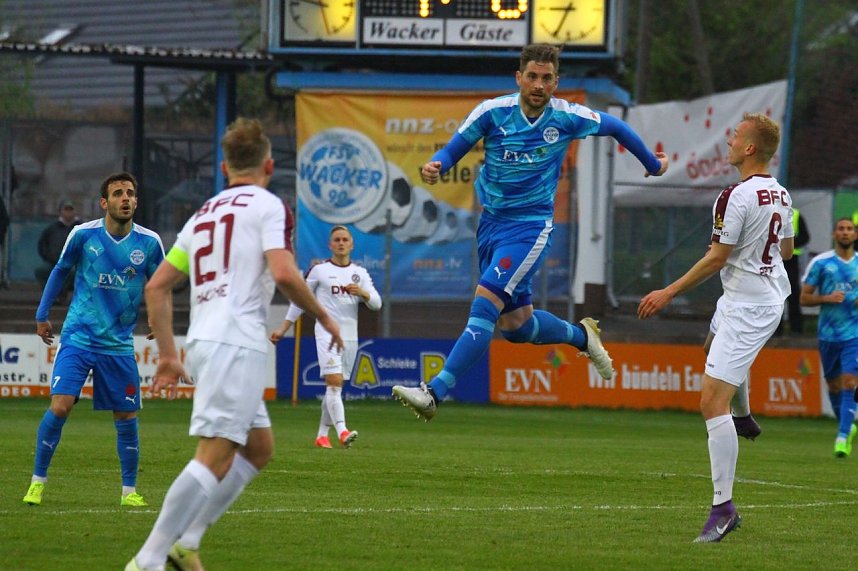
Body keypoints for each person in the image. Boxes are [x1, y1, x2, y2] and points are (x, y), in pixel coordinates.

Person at [391, 44, 668, 420]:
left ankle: (434, 391)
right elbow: (457, 145)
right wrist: (438, 164)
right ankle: (582, 337)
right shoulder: (493, 111)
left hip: (530, 228)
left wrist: (653, 164)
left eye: (547, 78)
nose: (539, 84)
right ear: (519, 77)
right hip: (491, 225)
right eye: (533, 76)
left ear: (557, 82)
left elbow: (616, 127)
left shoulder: (567, 117)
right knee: (517, 327)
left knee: (484, 304)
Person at [126, 117, 343, 571]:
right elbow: (283, 272)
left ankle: (188, 541)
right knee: (215, 453)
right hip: (236, 341)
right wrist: (323, 314)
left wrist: (168, 353)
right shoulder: (269, 206)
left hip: (205, 340)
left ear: (224, 168)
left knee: (258, 447)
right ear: (268, 164)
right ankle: (147, 560)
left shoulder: (202, 213)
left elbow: (157, 287)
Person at [638, 113, 793, 543]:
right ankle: (743, 417)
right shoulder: (781, 193)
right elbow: (787, 249)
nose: (728, 140)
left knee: (710, 401)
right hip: (756, 297)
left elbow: (716, 257)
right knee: (712, 353)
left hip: (749, 305)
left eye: (736, 136)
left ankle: (723, 509)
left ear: (749, 149)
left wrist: (667, 292)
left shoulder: (734, 196)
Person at [23, 172, 165, 508]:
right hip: (78, 337)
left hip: (117, 345)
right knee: (60, 405)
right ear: (105, 203)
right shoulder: (83, 235)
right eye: (118, 193)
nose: (125, 198)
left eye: (130, 193)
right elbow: (60, 270)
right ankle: (37, 483)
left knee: (126, 417)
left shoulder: (149, 243)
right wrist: (42, 314)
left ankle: (129, 493)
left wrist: (159, 318)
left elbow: (159, 284)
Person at [270, 225, 382, 449]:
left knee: (335, 388)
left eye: (344, 239)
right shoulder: (319, 271)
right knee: (334, 382)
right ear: (330, 245)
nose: (341, 243)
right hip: (326, 334)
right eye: (337, 240)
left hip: (350, 337)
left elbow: (377, 304)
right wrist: (283, 328)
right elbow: (299, 301)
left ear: (351, 244)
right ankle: (342, 431)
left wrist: (363, 293)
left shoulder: (360, 274)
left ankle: (322, 435)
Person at [800, 218, 858, 457]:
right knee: (833, 385)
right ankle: (847, 426)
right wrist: (826, 298)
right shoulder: (821, 263)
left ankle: (842, 437)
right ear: (835, 234)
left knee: (850, 383)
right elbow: (804, 298)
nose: (845, 233)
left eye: (849, 229)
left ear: (855, 235)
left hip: (853, 335)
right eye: (841, 229)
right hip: (828, 336)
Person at [35, 199, 82, 298]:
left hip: (74, 264)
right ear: (60, 211)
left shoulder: (82, 228)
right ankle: (52, 294)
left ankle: (61, 293)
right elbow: (42, 245)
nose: (68, 212)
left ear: (75, 211)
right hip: (54, 262)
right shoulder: (52, 228)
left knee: (72, 273)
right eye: (66, 209)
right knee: (41, 270)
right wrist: (49, 257)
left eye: (71, 209)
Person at [778, 209, 810, 335]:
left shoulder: (795, 214)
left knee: (793, 293)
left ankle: (796, 328)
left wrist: (789, 244)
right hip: (772, 259)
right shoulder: (765, 212)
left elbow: (805, 237)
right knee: (774, 294)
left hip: (791, 259)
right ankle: (775, 330)